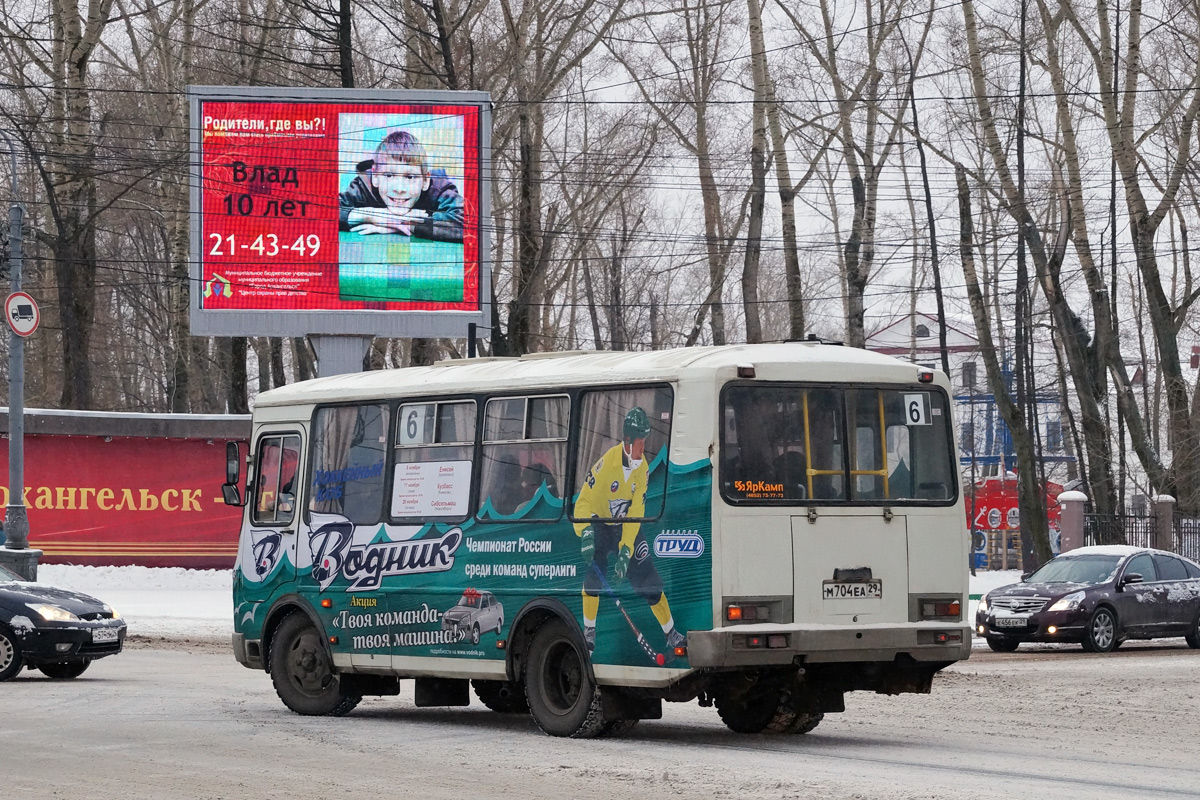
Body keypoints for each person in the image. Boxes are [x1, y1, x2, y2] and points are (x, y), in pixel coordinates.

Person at [574, 406, 685, 656]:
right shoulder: (605, 466)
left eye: (645, 442)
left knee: (648, 579)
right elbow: (582, 502)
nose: (642, 448)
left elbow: (636, 509)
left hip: (624, 525)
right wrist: (586, 533)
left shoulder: (642, 468)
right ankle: (589, 631)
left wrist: (626, 549)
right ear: (627, 440)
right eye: (640, 442)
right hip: (599, 525)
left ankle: (670, 633)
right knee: (593, 577)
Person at [338, 129, 465, 242]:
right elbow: (323, 212)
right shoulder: (365, 185)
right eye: (388, 175)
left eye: (410, 177)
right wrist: (369, 215)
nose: (399, 189)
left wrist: (406, 224)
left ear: (425, 181)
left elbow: (469, 223)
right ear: (375, 176)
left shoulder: (438, 188)